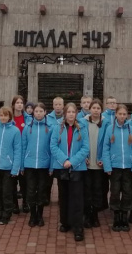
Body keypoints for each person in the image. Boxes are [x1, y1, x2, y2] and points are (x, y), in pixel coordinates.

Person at [50, 103, 90, 241]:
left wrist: (72, 161)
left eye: (74, 112)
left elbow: (85, 148)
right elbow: (53, 146)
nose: (71, 114)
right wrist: (64, 160)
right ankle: (65, 222)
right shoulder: (58, 128)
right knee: (64, 196)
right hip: (62, 167)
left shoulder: (82, 128)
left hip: (77, 168)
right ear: (65, 114)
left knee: (77, 198)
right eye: (69, 112)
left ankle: (78, 227)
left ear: (77, 113)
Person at [103, 104, 132, 232]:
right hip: (114, 167)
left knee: (127, 192)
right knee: (114, 191)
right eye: (120, 114)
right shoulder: (110, 129)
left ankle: (124, 215)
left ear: (127, 115)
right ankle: (116, 216)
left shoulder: (131, 129)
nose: (122, 116)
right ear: (116, 114)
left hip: (128, 167)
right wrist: (107, 165)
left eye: (125, 114)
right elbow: (106, 148)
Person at [21, 103, 54, 227]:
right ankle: (32, 215)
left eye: (41, 111)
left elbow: (52, 149)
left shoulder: (50, 128)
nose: (38, 113)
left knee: (41, 191)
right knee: (30, 191)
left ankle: (40, 215)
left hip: (44, 165)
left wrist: (51, 167)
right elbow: (23, 147)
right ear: (33, 113)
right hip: (29, 164)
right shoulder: (27, 127)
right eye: (36, 111)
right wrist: (21, 165)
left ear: (45, 112)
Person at [83, 98, 104, 228]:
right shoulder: (83, 122)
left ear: (101, 110)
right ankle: (87, 214)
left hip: (99, 164)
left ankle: (95, 215)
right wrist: (84, 156)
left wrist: (103, 159)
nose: (96, 110)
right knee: (86, 190)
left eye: (98, 108)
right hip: (86, 163)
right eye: (94, 108)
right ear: (90, 109)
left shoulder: (106, 123)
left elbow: (107, 143)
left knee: (97, 190)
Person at [12, 95, 28, 214]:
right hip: (11, 154)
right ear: (13, 104)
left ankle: (25, 203)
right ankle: (14, 204)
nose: (19, 105)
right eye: (17, 102)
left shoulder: (28, 119)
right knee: (12, 181)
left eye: (21, 103)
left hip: (24, 154)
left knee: (24, 181)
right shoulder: (9, 118)